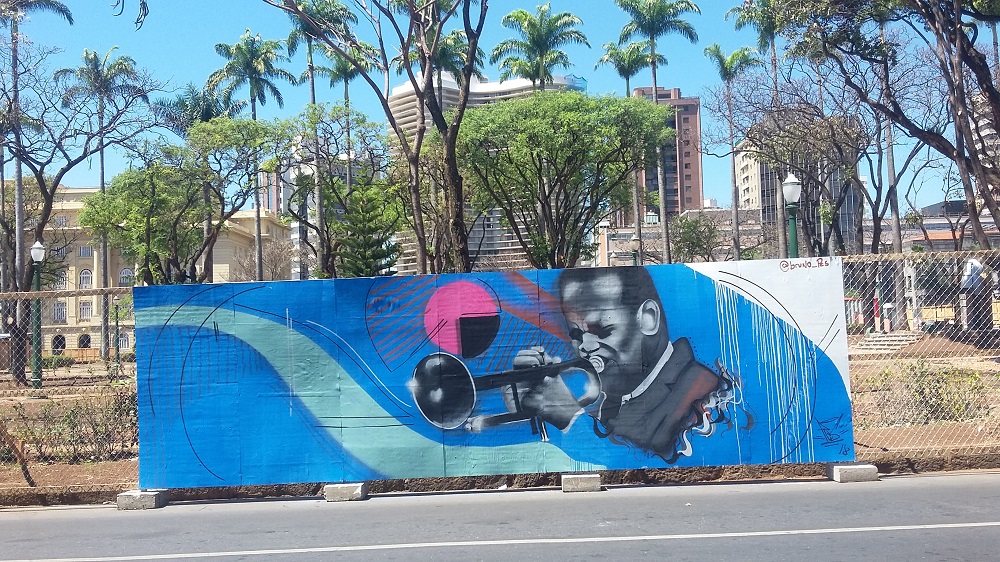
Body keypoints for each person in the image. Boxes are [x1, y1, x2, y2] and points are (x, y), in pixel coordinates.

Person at [508, 266, 725, 461]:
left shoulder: (702, 391)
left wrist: (568, 415)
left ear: (648, 318)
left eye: (601, 330)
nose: (585, 346)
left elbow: (636, 459)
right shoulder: (609, 400)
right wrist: (530, 410)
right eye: (576, 334)